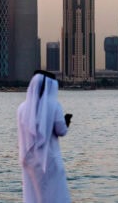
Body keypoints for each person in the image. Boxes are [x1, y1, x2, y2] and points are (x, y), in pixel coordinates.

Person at [17, 70, 72, 203]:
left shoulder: (22, 108)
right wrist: (67, 121)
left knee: (34, 196)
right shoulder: (54, 105)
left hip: (28, 159)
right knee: (55, 195)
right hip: (49, 160)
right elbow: (61, 131)